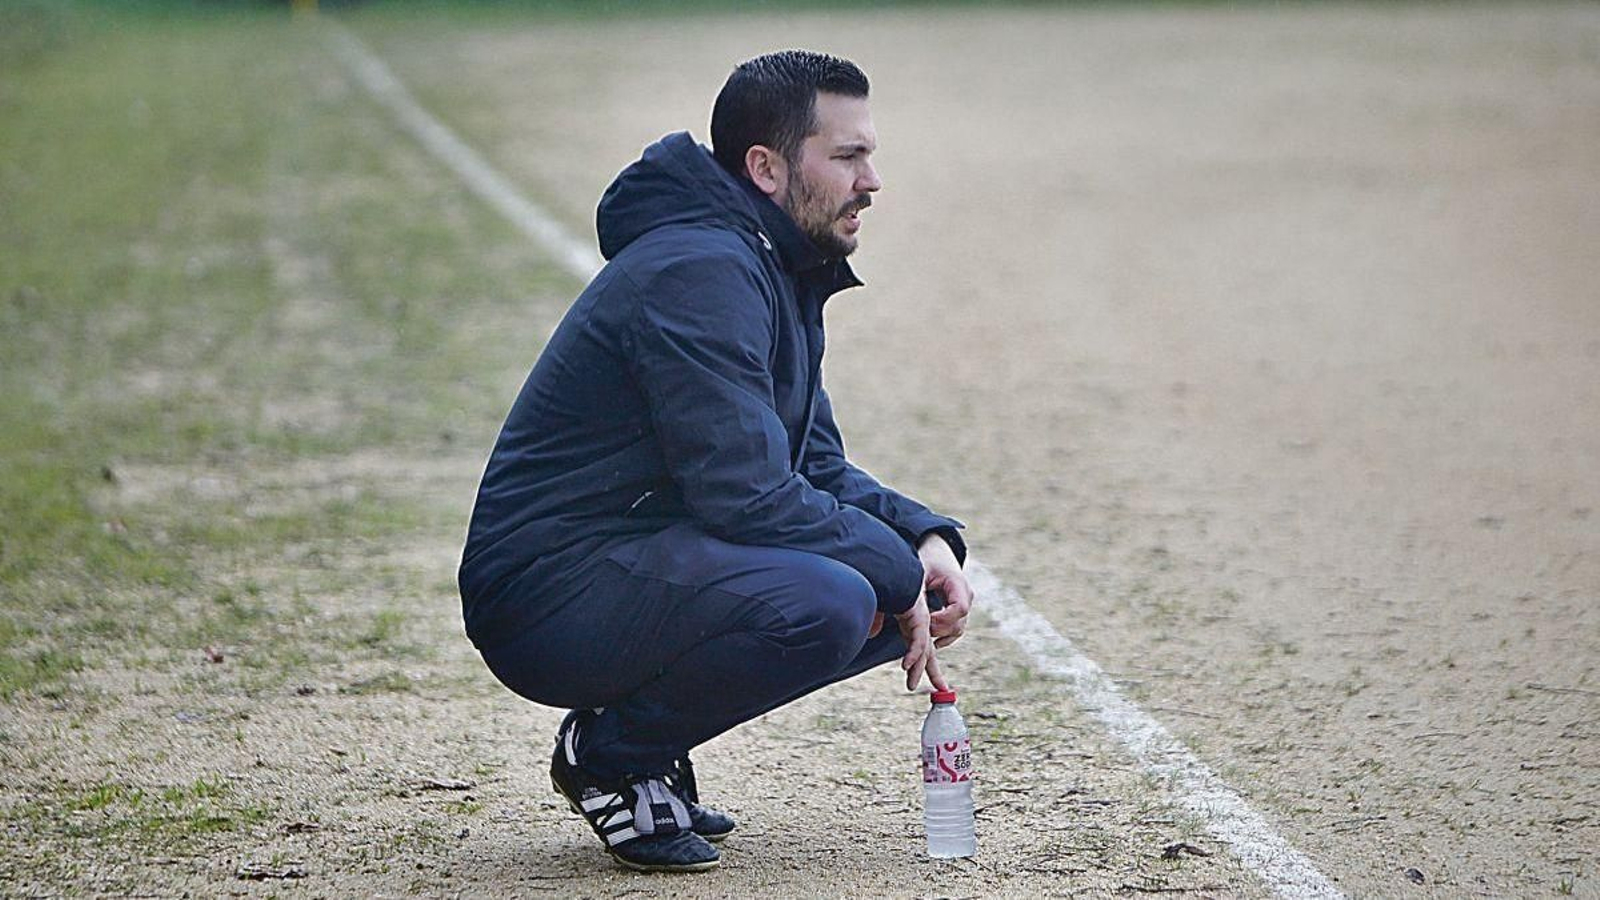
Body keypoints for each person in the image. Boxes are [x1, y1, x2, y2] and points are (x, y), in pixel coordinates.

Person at [458, 50, 974, 873]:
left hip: (627, 564)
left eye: (869, 154)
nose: (871, 180)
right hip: (547, 595)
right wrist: (888, 569)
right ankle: (611, 754)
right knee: (836, 597)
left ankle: (646, 743)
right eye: (846, 157)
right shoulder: (703, 272)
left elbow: (811, 464)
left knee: (888, 582)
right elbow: (747, 495)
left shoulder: (772, 266)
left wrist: (920, 540)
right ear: (765, 168)